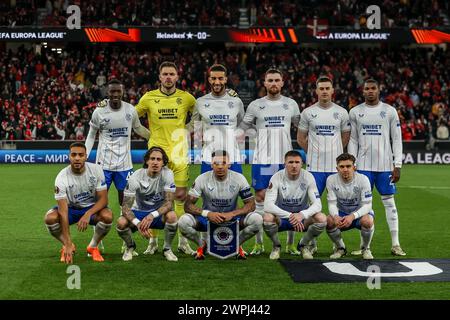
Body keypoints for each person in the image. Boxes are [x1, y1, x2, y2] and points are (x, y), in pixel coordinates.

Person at [135, 61, 196, 256]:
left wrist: (188, 130)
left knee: (179, 197)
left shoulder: (186, 98)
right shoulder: (149, 97)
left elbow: (198, 116)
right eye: (165, 74)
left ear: (177, 77)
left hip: (179, 153)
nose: (168, 77)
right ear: (159, 77)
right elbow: (133, 118)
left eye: (172, 74)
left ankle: (182, 241)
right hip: (157, 154)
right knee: (153, 199)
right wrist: (148, 135)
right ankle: (153, 241)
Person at [240, 68, 301, 256]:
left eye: (277, 80)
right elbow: (243, 127)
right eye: (270, 80)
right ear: (264, 83)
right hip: (263, 159)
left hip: (285, 159)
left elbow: (301, 127)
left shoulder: (291, 104)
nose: (273, 83)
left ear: (282, 83)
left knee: (289, 200)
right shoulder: (256, 105)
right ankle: (259, 244)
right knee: (260, 197)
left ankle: (290, 244)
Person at [85, 78, 150, 253]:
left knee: (126, 203)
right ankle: (96, 243)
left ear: (123, 92)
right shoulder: (99, 111)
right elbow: (91, 135)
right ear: (108, 92)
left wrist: (157, 139)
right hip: (102, 165)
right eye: (112, 91)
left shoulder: (130, 110)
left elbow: (138, 129)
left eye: (118, 91)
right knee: (100, 203)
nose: (115, 94)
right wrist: (84, 153)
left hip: (125, 165)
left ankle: (125, 241)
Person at [348, 78, 405, 256]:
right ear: (363, 91)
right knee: (364, 205)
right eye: (367, 88)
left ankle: (395, 244)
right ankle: (365, 246)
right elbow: (353, 139)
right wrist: (353, 162)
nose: (370, 91)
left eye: (373, 88)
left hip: (385, 166)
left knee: (390, 203)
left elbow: (396, 138)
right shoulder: (356, 112)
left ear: (379, 90)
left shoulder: (389, 111)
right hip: (363, 167)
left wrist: (397, 165)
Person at [179, 150, 262, 260]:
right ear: (211, 165)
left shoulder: (239, 178)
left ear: (229, 164)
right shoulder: (202, 179)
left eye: (223, 163)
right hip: (208, 221)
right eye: (216, 163)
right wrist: (208, 214)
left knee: (257, 219)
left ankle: (235, 245)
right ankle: (203, 245)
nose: (220, 167)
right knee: (183, 222)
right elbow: (188, 206)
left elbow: (251, 205)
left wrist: (232, 214)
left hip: (233, 220)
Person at [44, 142, 113, 263]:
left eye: (80, 155)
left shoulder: (96, 170)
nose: (77, 158)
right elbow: (63, 212)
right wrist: (68, 242)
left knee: (107, 216)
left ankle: (92, 246)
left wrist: (88, 214)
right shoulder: (61, 178)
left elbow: (103, 199)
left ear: (86, 156)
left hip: (91, 208)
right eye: (74, 155)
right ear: (69, 156)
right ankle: (67, 245)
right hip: (71, 209)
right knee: (50, 218)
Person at [116, 147, 179, 262]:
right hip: (138, 212)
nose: (155, 162)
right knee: (121, 222)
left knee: (172, 216)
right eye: (152, 159)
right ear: (147, 161)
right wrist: (138, 223)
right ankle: (130, 247)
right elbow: (125, 207)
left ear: (163, 162)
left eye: (159, 159)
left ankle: (167, 249)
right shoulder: (136, 176)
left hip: (157, 213)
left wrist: (152, 215)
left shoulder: (168, 174)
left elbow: (169, 203)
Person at [263, 150, 326, 260]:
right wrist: (290, 216)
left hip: (302, 220)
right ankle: (276, 246)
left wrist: (302, 215)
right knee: (267, 217)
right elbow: (268, 205)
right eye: (290, 162)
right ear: (285, 164)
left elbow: (318, 205)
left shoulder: (308, 177)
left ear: (302, 164)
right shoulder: (276, 177)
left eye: (297, 162)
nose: (294, 166)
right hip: (282, 218)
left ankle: (303, 245)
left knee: (321, 218)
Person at [297, 76, 351, 195]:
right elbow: (300, 139)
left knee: (339, 201)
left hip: (336, 166)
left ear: (332, 90)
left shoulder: (342, 112)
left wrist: (334, 150)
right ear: (316, 91)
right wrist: (313, 151)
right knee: (312, 202)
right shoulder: (307, 112)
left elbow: (346, 137)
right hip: (314, 167)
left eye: (327, 88)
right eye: (321, 88)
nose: (325, 91)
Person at [191, 63, 245, 174]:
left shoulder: (236, 101)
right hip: (208, 157)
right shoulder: (200, 102)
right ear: (209, 80)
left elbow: (242, 126)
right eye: (213, 78)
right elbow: (196, 128)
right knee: (207, 190)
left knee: (236, 190)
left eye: (220, 78)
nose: (217, 82)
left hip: (232, 157)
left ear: (225, 79)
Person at [325, 153, 375, 260]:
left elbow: (367, 205)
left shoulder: (363, 179)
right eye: (342, 167)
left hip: (359, 213)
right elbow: (332, 203)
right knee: (329, 221)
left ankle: (365, 248)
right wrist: (336, 216)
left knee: (368, 221)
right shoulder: (331, 180)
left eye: (348, 166)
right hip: (342, 213)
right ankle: (340, 248)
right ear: (337, 168)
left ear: (354, 167)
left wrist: (352, 216)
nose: (345, 169)